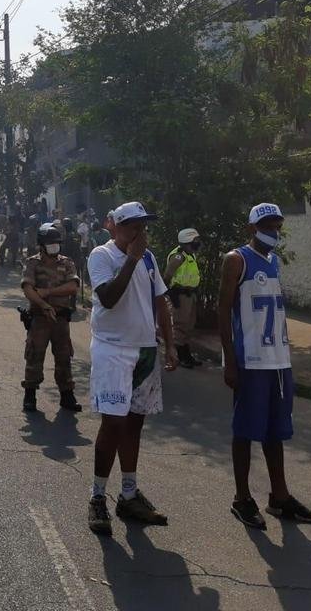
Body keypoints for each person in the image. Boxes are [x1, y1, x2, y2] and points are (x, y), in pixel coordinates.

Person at [218, 203, 311, 529]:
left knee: (275, 431)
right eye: (267, 225)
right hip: (250, 362)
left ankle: (280, 497)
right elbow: (223, 311)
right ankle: (241, 498)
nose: (273, 231)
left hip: (279, 361)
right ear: (252, 227)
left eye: (277, 225)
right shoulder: (236, 260)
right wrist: (230, 362)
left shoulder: (274, 261)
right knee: (245, 430)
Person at [85, 201, 177, 535]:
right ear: (116, 227)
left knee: (135, 423)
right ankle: (97, 496)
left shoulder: (149, 259)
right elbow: (108, 298)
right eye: (133, 226)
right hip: (113, 350)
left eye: (143, 226)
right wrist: (133, 257)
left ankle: (128, 492)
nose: (140, 233)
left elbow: (159, 302)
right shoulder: (102, 255)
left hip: (145, 350)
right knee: (113, 423)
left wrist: (170, 343)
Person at [21, 223, 82, 413]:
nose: (55, 246)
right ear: (42, 244)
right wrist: (43, 304)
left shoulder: (67, 262)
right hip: (40, 318)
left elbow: (73, 287)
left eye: (57, 243)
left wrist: (47, 292)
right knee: (34, 356)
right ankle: (30, 395)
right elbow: (28, 288)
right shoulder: (32, 262)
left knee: (64, 357)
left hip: (61, 320)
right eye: (51, 243)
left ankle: (67, 396)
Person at [164, 228, 204, 368]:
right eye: (195, 241)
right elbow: (167, 276)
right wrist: (169, 294)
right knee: (180, 326)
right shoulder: (179, 256)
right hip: (180, 295)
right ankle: (180, 356)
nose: (198, 244)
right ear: (187, 242)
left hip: (190, 294)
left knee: (189, 326)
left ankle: (187, 355)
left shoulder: (190, 255)